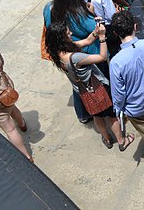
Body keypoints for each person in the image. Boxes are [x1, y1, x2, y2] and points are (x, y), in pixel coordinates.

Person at [45, 21, 135, 151]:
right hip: (99, 89)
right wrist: (103, 37)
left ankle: (107, 139)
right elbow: (102, 57)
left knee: (97, 116)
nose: (70, 33)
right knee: (111, 116)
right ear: (62, 37)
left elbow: (87, 41)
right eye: (67, 32)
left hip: (84, 93)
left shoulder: (58, 53)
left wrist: (96, 32)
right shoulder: (75, 57)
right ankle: (121, 141)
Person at [109, 10, 144, 170]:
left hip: (137, 108)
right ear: (135, 26)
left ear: (115, 33)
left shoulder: (116, 62)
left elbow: (118, 93)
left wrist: (119, 109)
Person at [43, 0, 104, 123]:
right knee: (92, 84)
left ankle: (82, 115)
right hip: (85, 54)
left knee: (77, 84)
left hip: (62, 54)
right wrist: (92, 14)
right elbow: (94, 29)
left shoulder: (48, 8)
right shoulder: (78, 14)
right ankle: (99, 110)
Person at [0, 42, 33, 162]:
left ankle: (27, 157)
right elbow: (1, 61)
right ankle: (22, 124)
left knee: (10, 129)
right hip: (5, 86)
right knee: (11, 106)